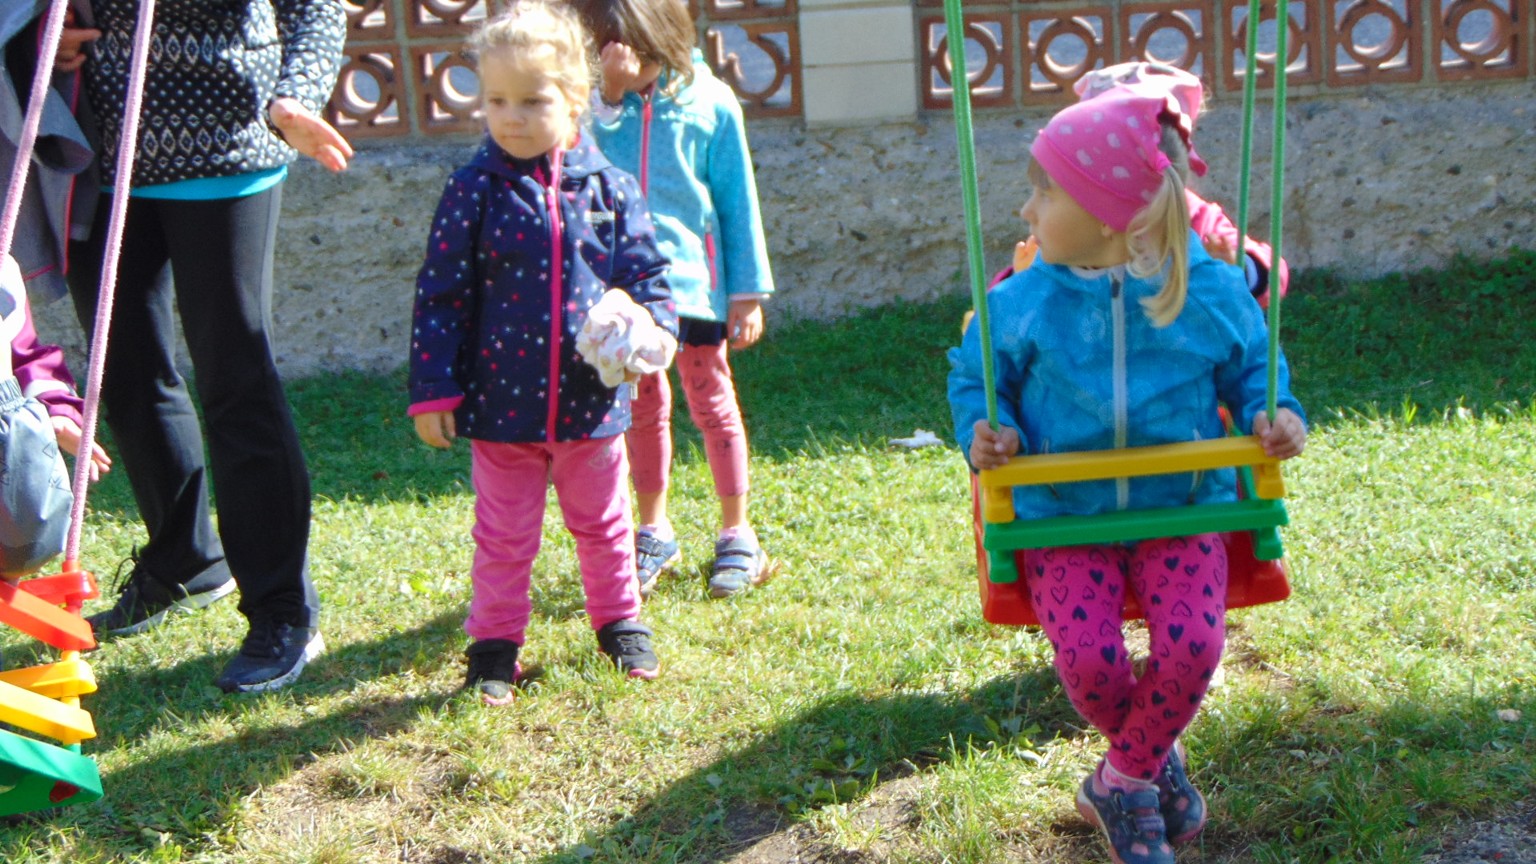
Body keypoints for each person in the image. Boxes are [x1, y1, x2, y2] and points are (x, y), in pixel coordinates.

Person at [947, 86, 1306, 864]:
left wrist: (1272, 411)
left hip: (1181, 506)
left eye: (1045, 192)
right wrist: (988, 427)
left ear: (1110, 214)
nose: (1027, 210)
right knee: (1088, 662)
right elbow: (979, 377)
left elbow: (1254, 364)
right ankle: (1145, 768)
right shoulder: (1024, 301)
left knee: (1194, 647)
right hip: (1061, 514)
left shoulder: (1204, 290)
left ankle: (1120, 780)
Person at [57, 0, 352, 693]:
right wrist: (47, 28)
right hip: (97, 152)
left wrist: (295, 98)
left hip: (225, 144)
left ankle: (284, 611)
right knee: (125, 371)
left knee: (235, 380)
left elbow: (315, 7)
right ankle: (183, 562)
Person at [408, 0, 677, 704]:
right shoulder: (472, 191)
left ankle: (620, 622)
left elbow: (648, 278)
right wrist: (434, 391)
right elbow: (441, 296)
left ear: (576, 97)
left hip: (592, 406)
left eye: (533, 100)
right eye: (497, 100)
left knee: (604, 524)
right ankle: (494, 647)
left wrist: (652, 330)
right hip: (502, 409)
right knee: (503, 535)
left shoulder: (611, 189)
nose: (512, 117)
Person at [568, 0, 776, 599]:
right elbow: (581, 167)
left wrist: (746, 292)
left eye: (626, 49)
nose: (615, 60)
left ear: (658, 40)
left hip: (695, 288)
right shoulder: (598, 109)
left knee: (711, 399)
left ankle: (737, 531)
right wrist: (608, 98)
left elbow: (737, 202)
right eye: (604, 50)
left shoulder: (711, 103)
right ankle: (653, 528)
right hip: (626, 292)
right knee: (643, 406)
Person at [987, 62, 1289, 309]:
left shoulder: (1195, 220)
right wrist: (1018, 279)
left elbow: (1270, 275)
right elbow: (1002, 314)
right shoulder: (1067, 231)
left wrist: (1241, 269)